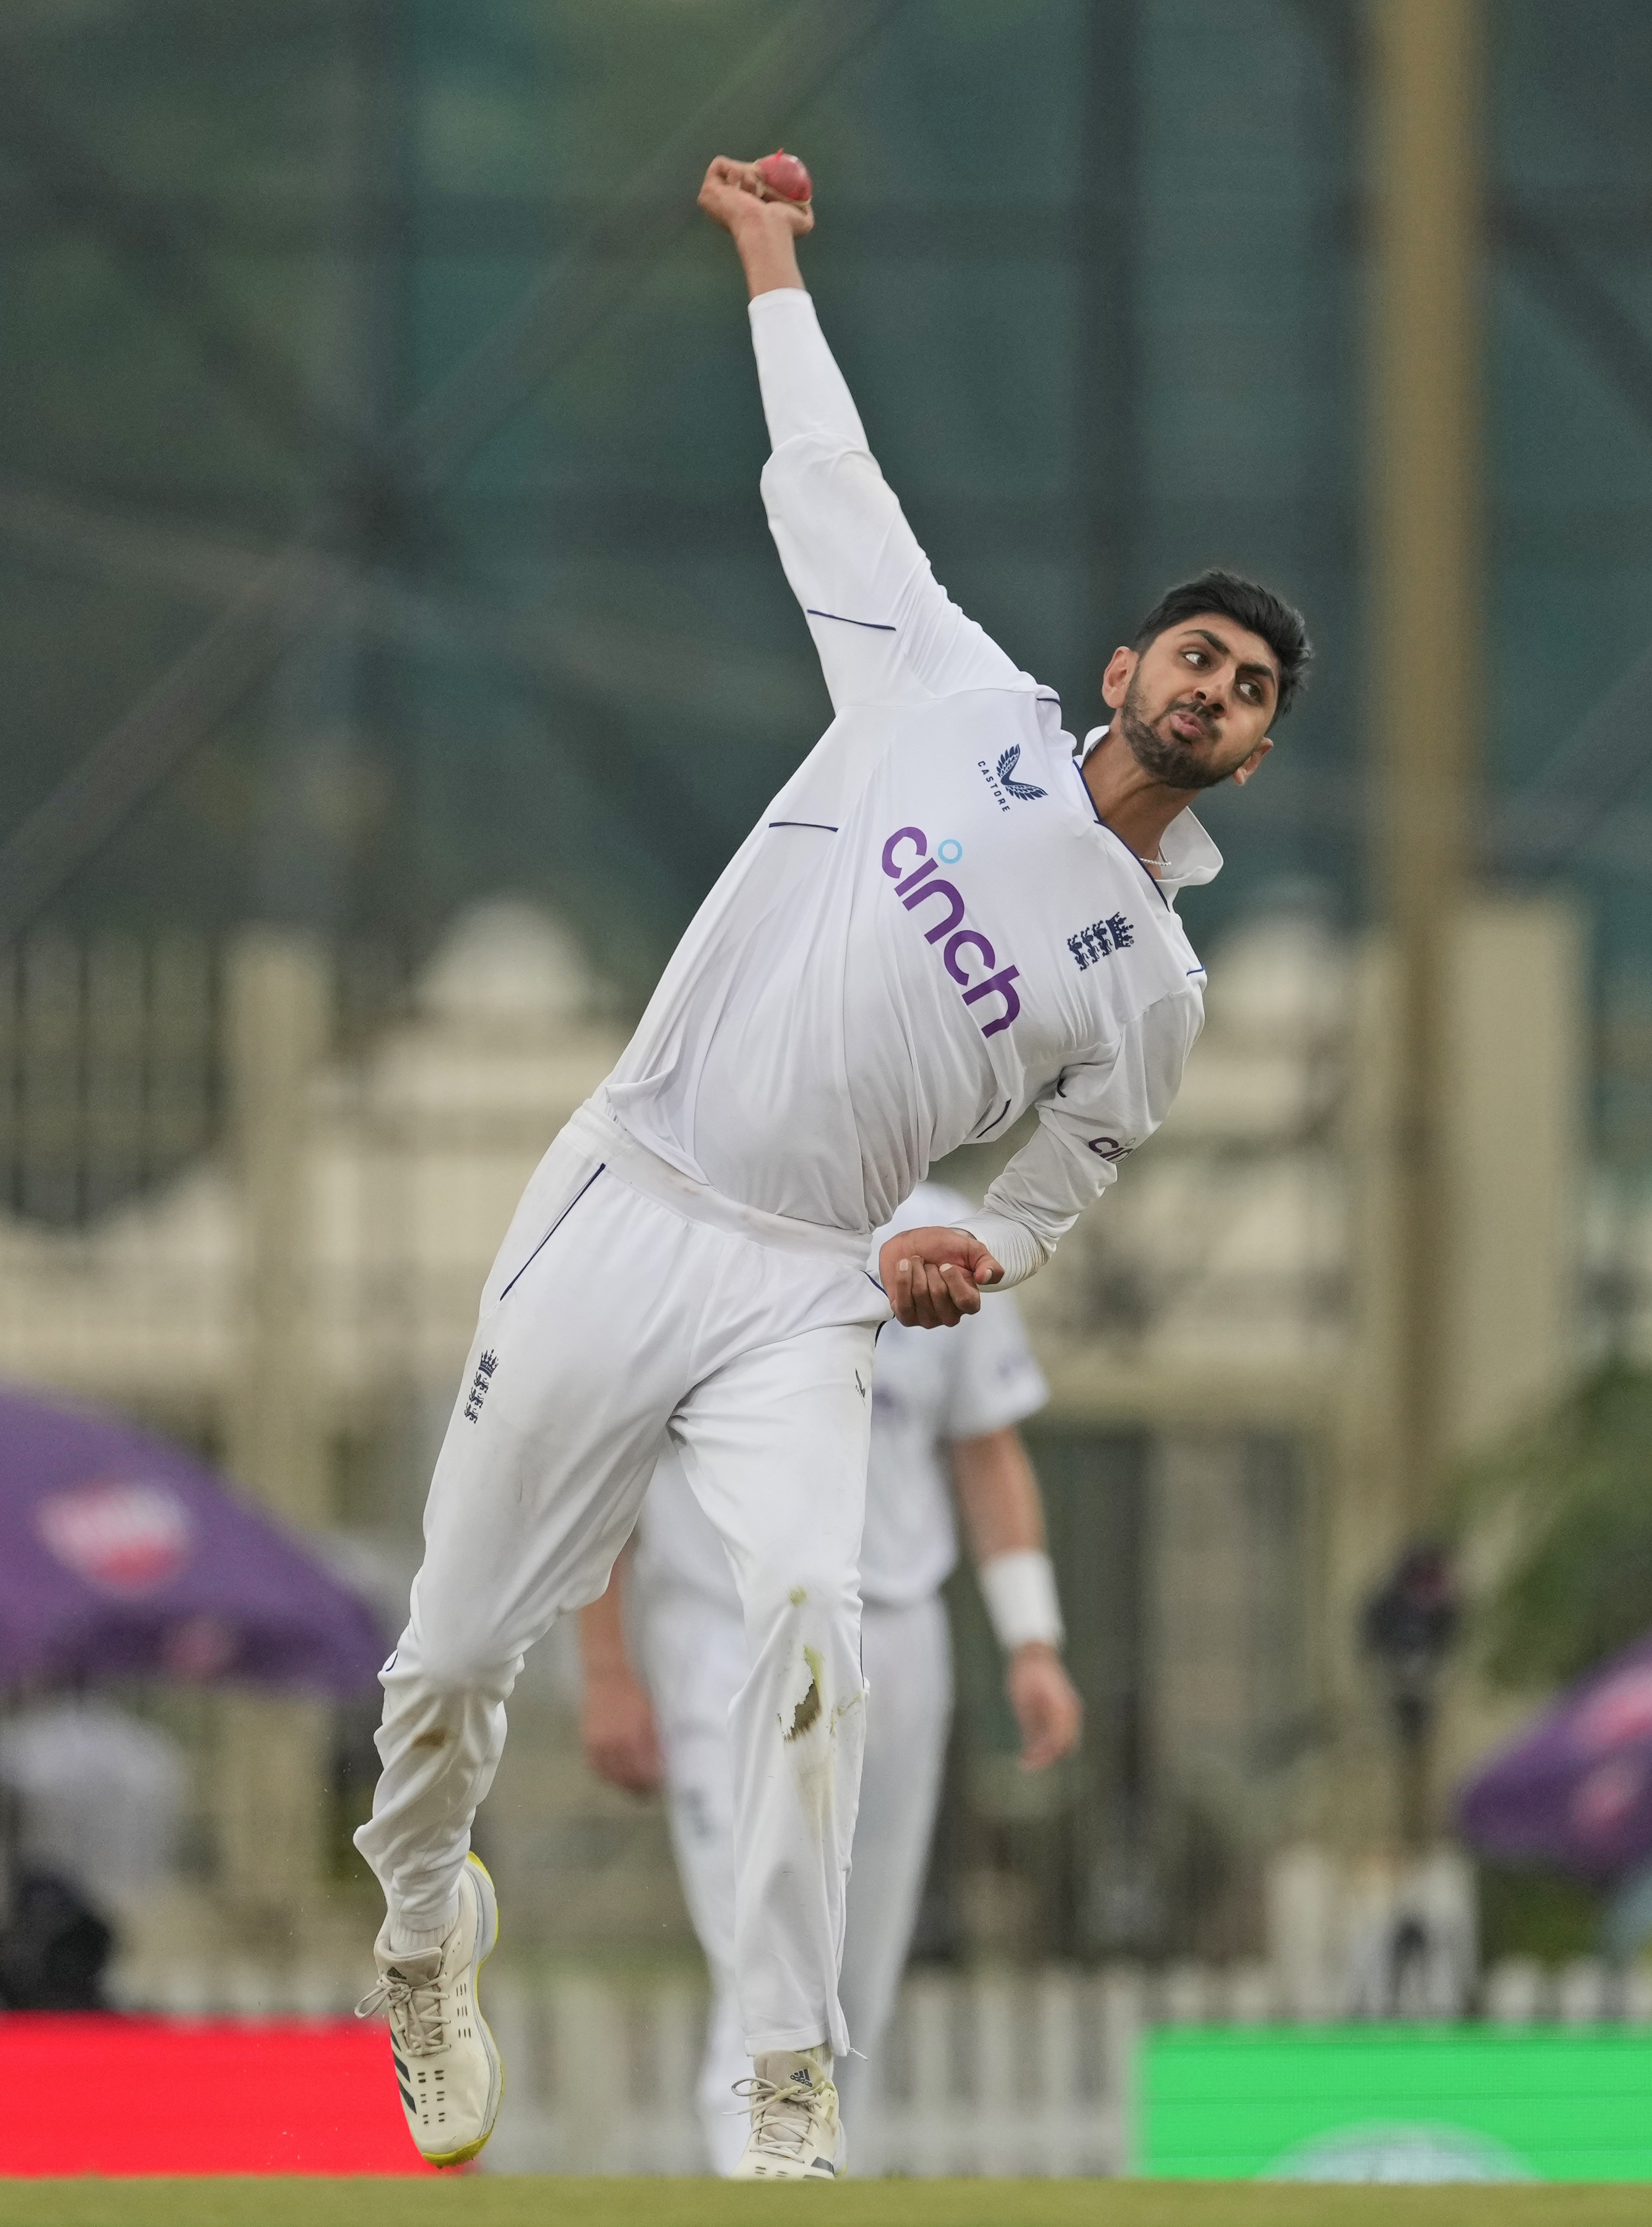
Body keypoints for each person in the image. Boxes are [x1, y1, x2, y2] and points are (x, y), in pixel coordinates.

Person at [353, 150, 1305, 2179]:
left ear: (1254, 753)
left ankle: (790, 2072)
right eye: (1197, 657)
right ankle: (426, 1930)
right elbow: (824, 479)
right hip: (629, 1195)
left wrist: (967, 1241)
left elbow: (1059, 1184)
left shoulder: (1155, 980)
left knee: (814, 1609)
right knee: (447, 1655)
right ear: (1126, 667)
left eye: (1252, 691)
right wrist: (770, 259)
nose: (1214, 692)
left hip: (808, 1281)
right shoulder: (943, 688)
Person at [577, 1178, 1080, 2174]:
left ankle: (834, 2181)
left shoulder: (942, 1231)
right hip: (729, 1635)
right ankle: (759, 2177)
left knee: (859, 1983)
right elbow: (609, 1473)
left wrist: (1032, 1641)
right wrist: (606, 1669)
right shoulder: (682, 1227)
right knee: (759, 1956)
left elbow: (987, 1449)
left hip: (896, 1634)